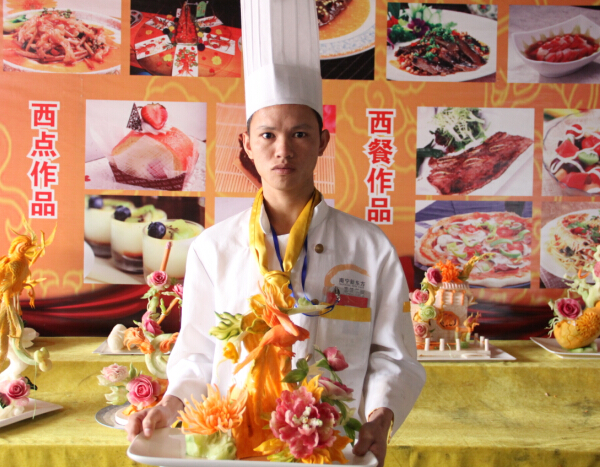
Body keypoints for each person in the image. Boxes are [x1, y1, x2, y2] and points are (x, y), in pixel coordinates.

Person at [127, 1, 425, 466]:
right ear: (247, 144)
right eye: (267, 135)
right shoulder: (212, 247)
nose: (283, 149)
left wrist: (380, 416)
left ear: (322, 141)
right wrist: (170, 404)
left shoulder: (370, 248)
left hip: (331, 447)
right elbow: (197, 352)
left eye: (300, 134)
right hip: (232, 448)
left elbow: (393, 353)